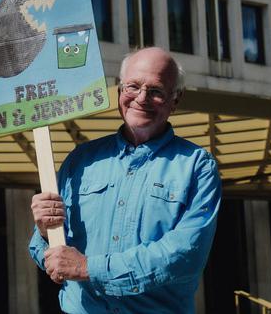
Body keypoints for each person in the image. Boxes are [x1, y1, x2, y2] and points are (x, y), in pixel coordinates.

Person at [29, 47, 222, 313]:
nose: (141, 98)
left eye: (155, 91)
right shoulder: (80, 160)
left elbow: (184, 255)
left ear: (174, 100)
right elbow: (45, 251)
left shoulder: (197, 166)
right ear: (119, 90)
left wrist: (88, 268)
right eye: (132, 86)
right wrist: (46, 232)